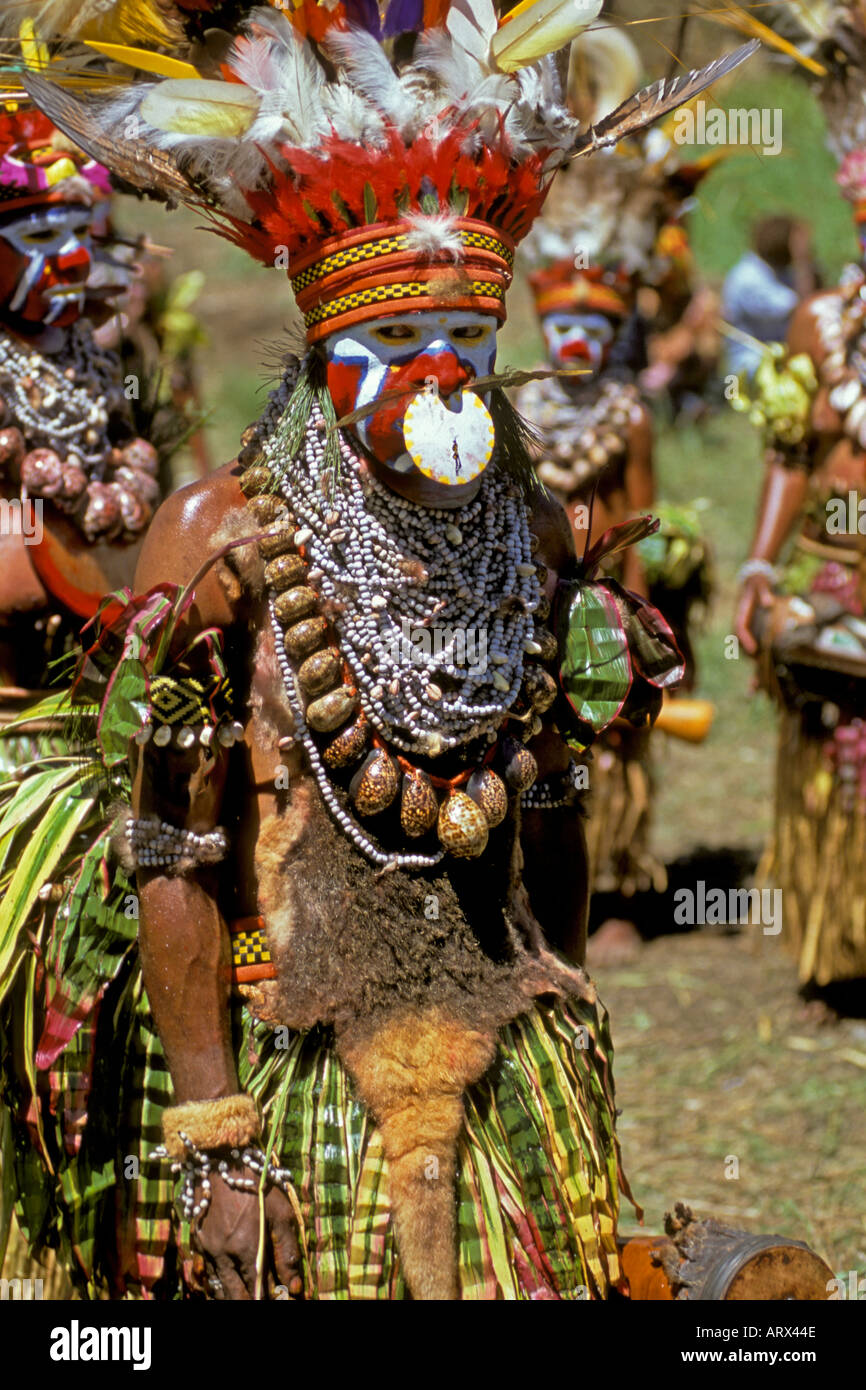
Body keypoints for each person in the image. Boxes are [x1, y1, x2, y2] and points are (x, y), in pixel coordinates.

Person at [4, 0, 753, 1299]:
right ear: (328, 341)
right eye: (397, 343)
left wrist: (562, 992)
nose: (439, 377)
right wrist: (212, 1135)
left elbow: (556, 784)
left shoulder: (523, 523)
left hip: (493, 1037)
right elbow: (173, 847)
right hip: (290, 1060)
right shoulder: (223, 537)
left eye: (466, 340)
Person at [734, 2, 866, 994]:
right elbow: (790, 454)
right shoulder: (820, 324)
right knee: (833, 758)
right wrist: (752, 565)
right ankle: (843, 944)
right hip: (833, 576)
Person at [722, 216, 819, 380]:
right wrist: (802, 259)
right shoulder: (750, 279)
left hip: (777, 361)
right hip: (751, 370)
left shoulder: (778, 271)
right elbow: (805, 308)